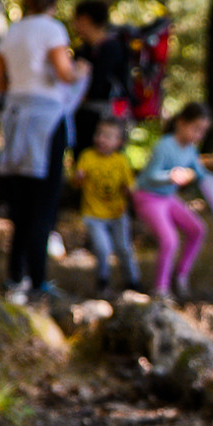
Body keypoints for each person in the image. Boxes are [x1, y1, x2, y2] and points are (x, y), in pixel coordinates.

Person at [0, 0, 88, 305]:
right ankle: (39, 280)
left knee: (21, 203)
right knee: (43, 202)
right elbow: (64, 72)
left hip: (15, 118)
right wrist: (79, 72)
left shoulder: (12, 32)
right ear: (53, 3)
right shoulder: (53, 29)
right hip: (46, 121)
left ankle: (16, 275)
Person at [133, 103, 209, 301]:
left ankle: (180, 275)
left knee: (197, 229)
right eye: (196, 129)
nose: (199, 135)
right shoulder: (164, 146)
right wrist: (170, 176)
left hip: (168, 198)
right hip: (148, 197)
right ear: (182, 123)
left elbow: (200, 172)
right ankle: (160, 289)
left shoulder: (191, 150)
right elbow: (148, 176)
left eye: (202, 131)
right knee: (170, 240)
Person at [73, 116, 141, 295]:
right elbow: (76, 183)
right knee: (103, 249)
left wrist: (132, 196)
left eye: (108, 136)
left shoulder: (121, 161)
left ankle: (133, 282)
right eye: (99, 134)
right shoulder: (87, 156)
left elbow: (130, 188)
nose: (101, 139)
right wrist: (79, 178)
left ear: (119, 142)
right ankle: (103, 282)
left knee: (124, 248)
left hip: (117, 214)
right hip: (93, 214)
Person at [70, 0, 133, 158]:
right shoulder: (83, 50)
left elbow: (98, 83)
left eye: (77, 20)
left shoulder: (112, 49)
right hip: (83, 117)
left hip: (106, 117)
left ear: (85, 19)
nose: (75, 25)